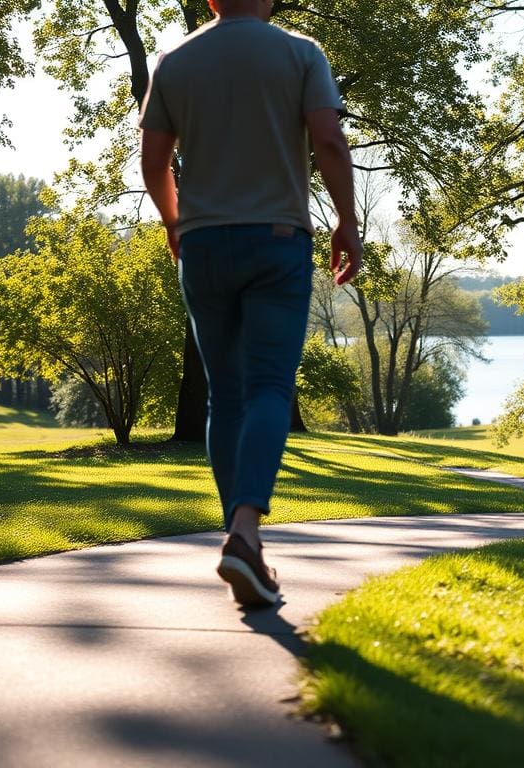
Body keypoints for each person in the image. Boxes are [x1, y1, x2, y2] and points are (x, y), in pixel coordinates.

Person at [139, 0, 362, 608]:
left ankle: (244, 545)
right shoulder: (300, 53)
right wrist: (346, 220)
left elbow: (153, 161)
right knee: (268, 387)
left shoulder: (173, 60)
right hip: (277, 240)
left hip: (204, 245)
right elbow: (328, 140)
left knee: (226, 396)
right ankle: (244, 531)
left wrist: (175, 222)